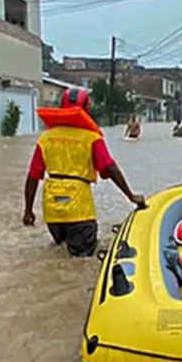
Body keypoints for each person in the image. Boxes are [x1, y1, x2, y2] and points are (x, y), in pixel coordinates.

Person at [23, 88, 146, 257]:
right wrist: (131, 196)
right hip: (79, 209)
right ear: (87, 110)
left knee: (60, 256)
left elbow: (33, 176)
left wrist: (28, 211)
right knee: (81, 261)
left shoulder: (45, 138)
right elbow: (109, 168)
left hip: (52, 210)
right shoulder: (91, 138)